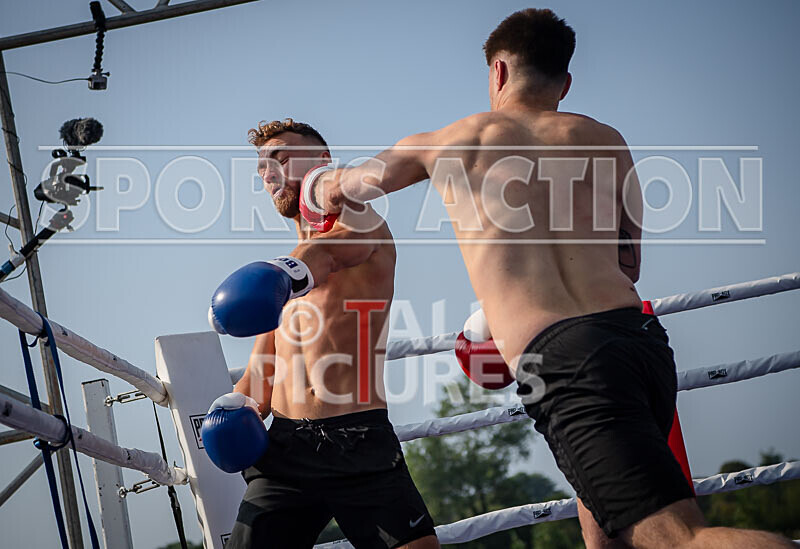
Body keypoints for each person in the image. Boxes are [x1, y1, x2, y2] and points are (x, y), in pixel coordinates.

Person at [299, 9, 795, 549]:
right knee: (604, 525)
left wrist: (316, 182)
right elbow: (629, 264)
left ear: (498, 72)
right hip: (641, 342)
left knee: (677, 537)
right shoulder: (607, 140)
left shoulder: (447, 142)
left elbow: (348, 187)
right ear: (565, 82)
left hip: (566, 359)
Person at [206, 119, 439, 549]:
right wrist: (233, 409)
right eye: (262, 169)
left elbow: (327, 254)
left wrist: (284, 272)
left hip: (360, 442)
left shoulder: (364, 227)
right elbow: (261, 374)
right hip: (287, 451)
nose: (270, 173)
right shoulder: (281, 274)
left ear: (323, 165)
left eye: (282, 158)